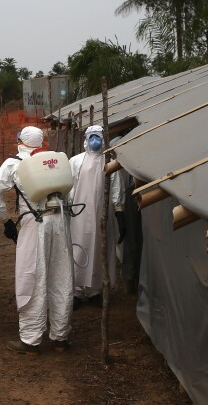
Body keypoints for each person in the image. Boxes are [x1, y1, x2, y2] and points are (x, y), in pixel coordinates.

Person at [0, 126, 74, 355]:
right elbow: (70, 195)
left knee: (33, 276)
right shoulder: (55, 161)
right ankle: (60, 337)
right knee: (61, 277)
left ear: (20, 141)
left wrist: (6, 220)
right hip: (60, 223)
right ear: (41, 141)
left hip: (34, 224)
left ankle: (30, 338)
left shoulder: (13, 163)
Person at [68, 125, 124, 308]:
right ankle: (76, 291)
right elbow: (70, 187)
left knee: (100, 250)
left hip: (102, 214)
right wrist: (69, 206)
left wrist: (119, 212)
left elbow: (116, 188)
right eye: (91, 136)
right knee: (78, 247)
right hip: (79, 214)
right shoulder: (75, 161)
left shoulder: (110, 162)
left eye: (97, 136)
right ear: (86, 138)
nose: (94, 140)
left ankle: (95, 291)